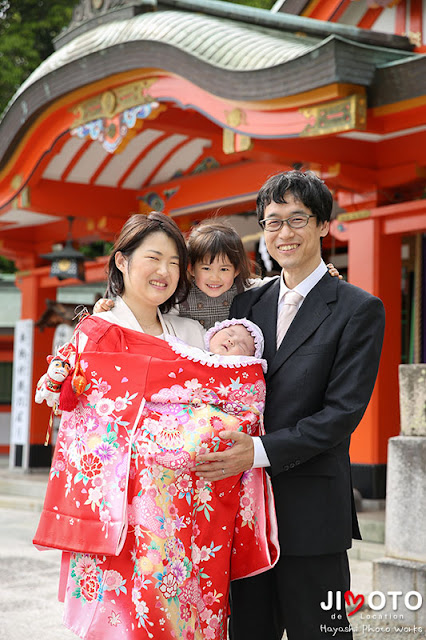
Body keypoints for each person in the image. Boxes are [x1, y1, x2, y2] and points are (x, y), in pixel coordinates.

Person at [33, 211, 278, 640]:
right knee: (125, 621)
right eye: (153, 258)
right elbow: (80, 418)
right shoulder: (97, 331)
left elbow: (225, 393)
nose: (164, 272)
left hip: (188, 513)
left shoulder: (189, 332)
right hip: (120, 509)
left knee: (184, 617)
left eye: (173, 261)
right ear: (122, 262)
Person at [193, 170, 386, 640]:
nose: (284, 233)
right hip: (243, 514)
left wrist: (255, 450)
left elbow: (342, 414)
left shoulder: (357, 308)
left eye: (297, 219)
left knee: (320, 634)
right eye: (273, 221)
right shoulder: (246, 304)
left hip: (313, 512)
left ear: (323, 225)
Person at [95, 218, 342, 329]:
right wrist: (112, 307)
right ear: (191, 268)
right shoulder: (181, 294)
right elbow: (151, 311)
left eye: (224, 269)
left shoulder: (246, 288)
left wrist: (318, 276)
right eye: (206, 268)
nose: (215, 277)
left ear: (236, 270)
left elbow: (279, 283)